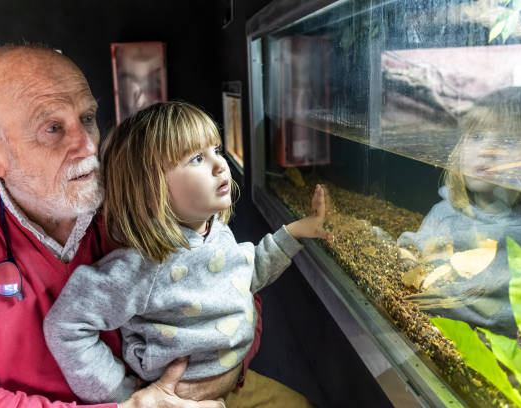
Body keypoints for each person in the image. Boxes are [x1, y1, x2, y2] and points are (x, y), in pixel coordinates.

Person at [0, 44, 284, 408]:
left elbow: (229, 278)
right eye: (53, 128)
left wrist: (221, 375)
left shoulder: (133, 192)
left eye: (88, 118)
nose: (87, 145)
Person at [43, 101, 329, 405]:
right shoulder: (139, 267)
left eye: (216, 151)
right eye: (196, 158)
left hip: (237, 383)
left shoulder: (216, 232)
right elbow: (65, 326)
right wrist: (127, 397)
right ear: (151, 187)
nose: (220, 165)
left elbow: (244, 275)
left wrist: (296, 231)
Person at [398, 86, 521, 337]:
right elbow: (412, 248)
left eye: (507, 141)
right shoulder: (445, 212)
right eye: (477, 136)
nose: (486, 151)